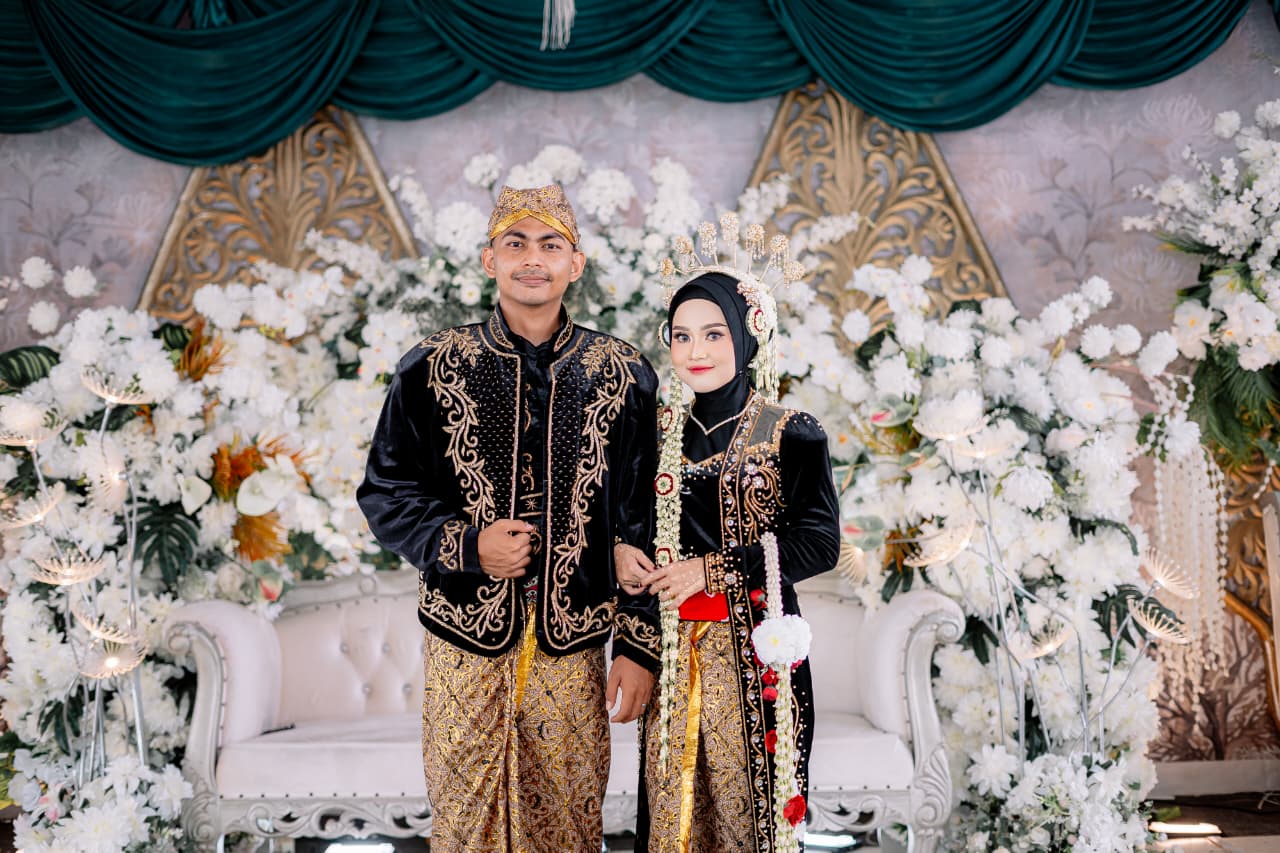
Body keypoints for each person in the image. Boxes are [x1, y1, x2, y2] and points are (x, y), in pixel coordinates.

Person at [357, 184, 661, 853]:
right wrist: (469, 547)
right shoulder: (431, 367)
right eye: (515, 243)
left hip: (573, 641)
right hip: (464, 638)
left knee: (567, 823)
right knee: (466, 824)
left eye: (550, 245)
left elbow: (643, 521)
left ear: (575, 264)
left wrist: (638, 646)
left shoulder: (623, 373)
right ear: (488, 258)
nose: (532, 259)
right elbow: (384, 492)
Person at [623, 242, 841, 851]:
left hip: (757, 655)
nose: (696, 352)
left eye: (714, 334)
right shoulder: (657, 433)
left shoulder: (791, 432)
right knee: (673, 819)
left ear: (749, 337)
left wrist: (711, 570)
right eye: (682, 336)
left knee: (753, 819)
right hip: (673, 655)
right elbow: (630, 531)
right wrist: (622, 558)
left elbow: (819, 543)